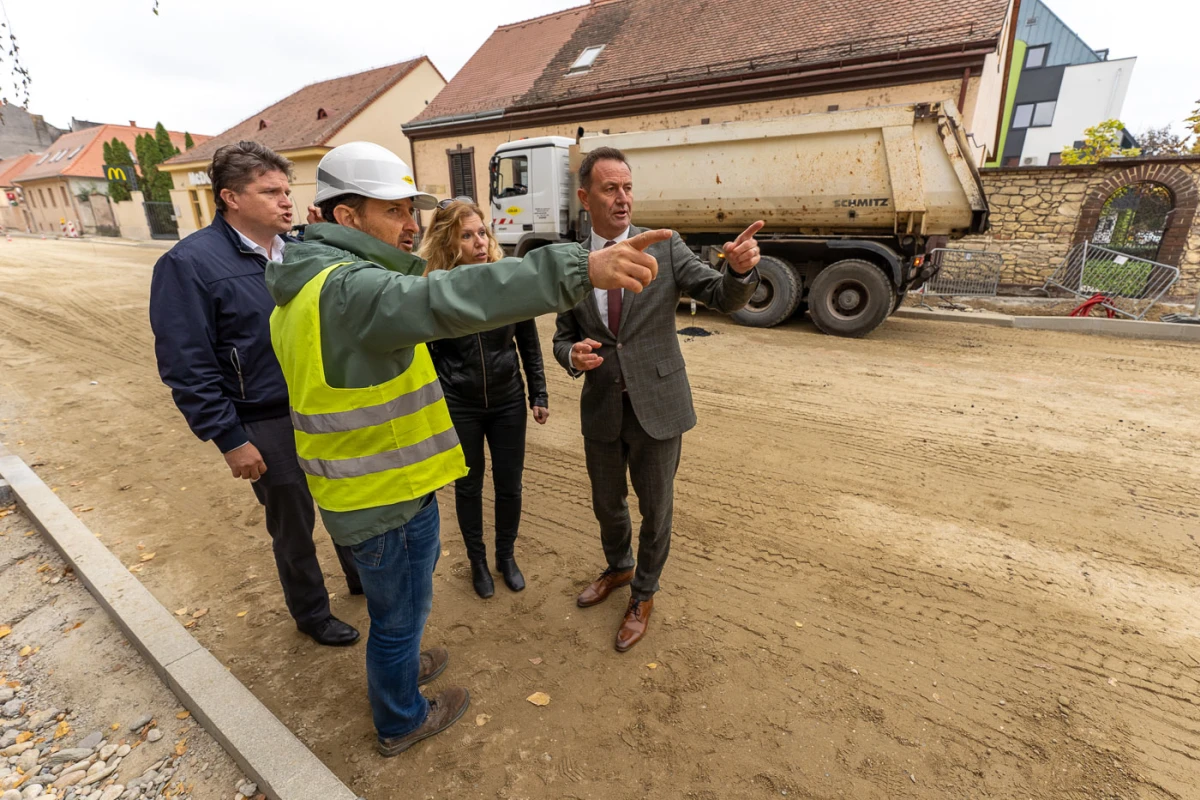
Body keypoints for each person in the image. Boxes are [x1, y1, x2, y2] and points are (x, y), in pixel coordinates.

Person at [265, 141, 671, 756]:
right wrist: (575, 269)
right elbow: (443, 300)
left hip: (372, 486)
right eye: (394, 210)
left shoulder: (306, 284)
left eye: (411, 210)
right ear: (345, 216)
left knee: (399, 614)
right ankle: (402, 719)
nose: (409, 224)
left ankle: (402, 671)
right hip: (383, 494)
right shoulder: (351, 291)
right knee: (397, 620)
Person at [149, 141, 361, 648]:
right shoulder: (189, 264)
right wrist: (229, 438)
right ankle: (312, 613)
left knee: (347, 501)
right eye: (270, 192)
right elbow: (186, 365)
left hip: (321, 404)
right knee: (293, 525)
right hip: (263, 418)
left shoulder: (300, 249)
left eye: (287, 190)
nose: (286, 201)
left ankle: (363, 580)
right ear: (230, 197)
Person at [552, 146, 764, 653]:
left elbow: (718, 294)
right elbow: (561, 334)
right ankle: (620, 568)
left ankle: (643, 594)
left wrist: (737, 273)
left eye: (627, 187)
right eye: (610, 189)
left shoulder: (665, 249)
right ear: (585, 198)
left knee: (656, 508)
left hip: (658, 404)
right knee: (608, 505)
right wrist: (570, 355)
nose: (622, 199)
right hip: (602, 406)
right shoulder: (572, 260)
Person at [420, 200, 548, 599]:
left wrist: (538, 391)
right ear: (447, 242)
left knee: (510, 485)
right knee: (468, 486)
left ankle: (505, 556)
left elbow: (528, 341)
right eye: (467, 235)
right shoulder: (434, 289)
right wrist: (438, 397)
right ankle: (477, 561)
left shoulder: (506, 280)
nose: (479, 242)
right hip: (460, 403)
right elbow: (426, 353)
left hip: (509, 399)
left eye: (482, 233)